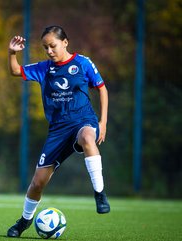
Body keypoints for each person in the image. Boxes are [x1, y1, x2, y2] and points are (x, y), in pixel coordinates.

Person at [6, 26, 110, 238]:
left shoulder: (82, 63)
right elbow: (15, 71)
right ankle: (25, 221)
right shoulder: (44, 68)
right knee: (37, 183)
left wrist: (103, 122)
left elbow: (102, 88)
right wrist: (12, 53)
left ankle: (99, 193)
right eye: (45, 48)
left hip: (84, 120)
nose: (49, 51)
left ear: (65, 42)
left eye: (52, 46)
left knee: (88, 137)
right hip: (58, 130)